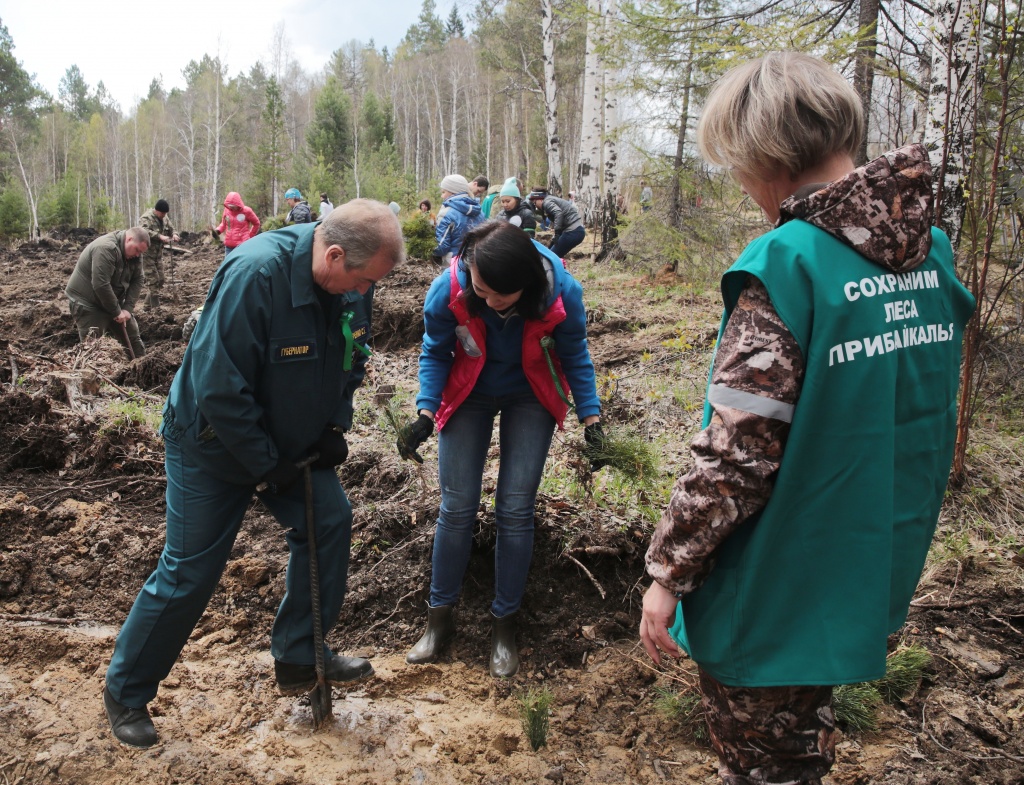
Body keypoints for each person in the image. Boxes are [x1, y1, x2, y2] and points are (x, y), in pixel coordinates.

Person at [638, 52, 975, 785]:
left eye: (738, 166)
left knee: (766, 768)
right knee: (797, 754)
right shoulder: (929, 255)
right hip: (865, 558)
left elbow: (737, 450)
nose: (743, 185)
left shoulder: (788, 263)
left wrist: (668, 569)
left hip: (778, 576)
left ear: (768, 158)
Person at [102, 199, 405, 749]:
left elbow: (351, 357)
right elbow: (220, 388)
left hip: (291, 445)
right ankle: (127, 690)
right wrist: (270, 469)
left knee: (330, 519)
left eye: (371, 284)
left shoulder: (357, 277)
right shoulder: (255, 274)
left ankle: (298, 654)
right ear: (333, 254)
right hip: (212, 445)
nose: (365, 294)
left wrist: (332, 427)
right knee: (191, 569)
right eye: (360, 282)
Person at [397, 221, 605, 678]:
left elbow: (575, 354)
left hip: (529, 393)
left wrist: (593, 419)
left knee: (515, 508)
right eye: (482, 290)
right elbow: (435, 351)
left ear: (526, 285)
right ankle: (439, 621)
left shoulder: (560, 293)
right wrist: (424, 412)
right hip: (468, 392)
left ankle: (504, 628)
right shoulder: (448, 287)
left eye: (501, 296)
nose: (488, 301)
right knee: (456, 507)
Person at [64, 227, 150, 359]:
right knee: (92, 347)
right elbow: (100, 284)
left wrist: (127, 309)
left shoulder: (135, 254)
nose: (138, 255)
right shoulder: (106, 248)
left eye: (141, 252)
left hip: (113, 298)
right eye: (137, 250)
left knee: (133, 336)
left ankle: (141, 370)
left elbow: (138, 279)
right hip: (88, 302)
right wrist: (116, 311)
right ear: (129, 239)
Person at [433, 174, 484, 263]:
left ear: (453, 192)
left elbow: (442, 247)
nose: (442, 196)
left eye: (443, 192)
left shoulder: (446, 213)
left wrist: (429, 251)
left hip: (452, 263)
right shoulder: (480, 212)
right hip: (475, 262)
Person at [138, 199, 179, 308]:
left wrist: (174, 234)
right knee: (153, 280)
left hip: (158, 254)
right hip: (147, 254)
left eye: (165, 214)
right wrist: (159, 236)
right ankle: (156, 308)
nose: (164, 215)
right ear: (156, 211)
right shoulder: (146, 218)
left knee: (161, 280)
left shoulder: (164, 218)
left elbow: (171, 228)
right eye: (162, 213)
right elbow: (143, 231)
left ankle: (147, 305)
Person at [527, 190, 585, 258]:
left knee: (551, 258)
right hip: (575, 230)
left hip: (573, 231)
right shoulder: (549, 199)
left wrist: (557, 233)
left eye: (535, 203)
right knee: (550, 253)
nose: (536, 206)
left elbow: (558, 213)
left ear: (540, 199)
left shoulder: (547, 202)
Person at [212, 192, 261, 259]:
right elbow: (223, 224)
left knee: (241, 266)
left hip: (242, 246)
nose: (231, 208)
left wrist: (250, 236)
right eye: (229, 206)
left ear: (237, 204)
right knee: (228, 266)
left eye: (232, 206)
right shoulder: (226, 210)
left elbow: (256, 223)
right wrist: (218, 231)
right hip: (229, 246)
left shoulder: (247, 211)